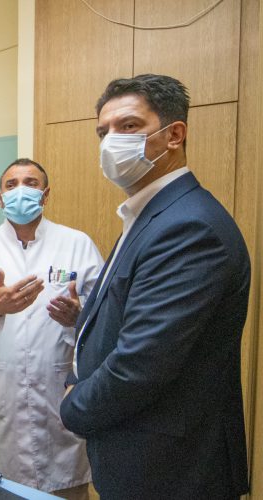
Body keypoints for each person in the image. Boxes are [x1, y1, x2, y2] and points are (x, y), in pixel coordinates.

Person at [60, 74, 250, 499]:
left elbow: (139, 365)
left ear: (174, 135)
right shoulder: (149, 215)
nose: (111, 142)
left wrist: (73, 405)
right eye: (103, 132)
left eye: (128, 126)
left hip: (170, 469)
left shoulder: (188, 227)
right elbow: (117, 319)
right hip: (138, 452)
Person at [0, 158, 104, 498]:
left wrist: (78, 318)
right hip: (3, 404)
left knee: (66, 491)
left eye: (30, 183)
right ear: (0, 197)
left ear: (46, 194)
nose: (20, 191)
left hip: (58, 400)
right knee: (4, 489)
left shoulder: (77, 244)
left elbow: (106, 315)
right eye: (11, 184)